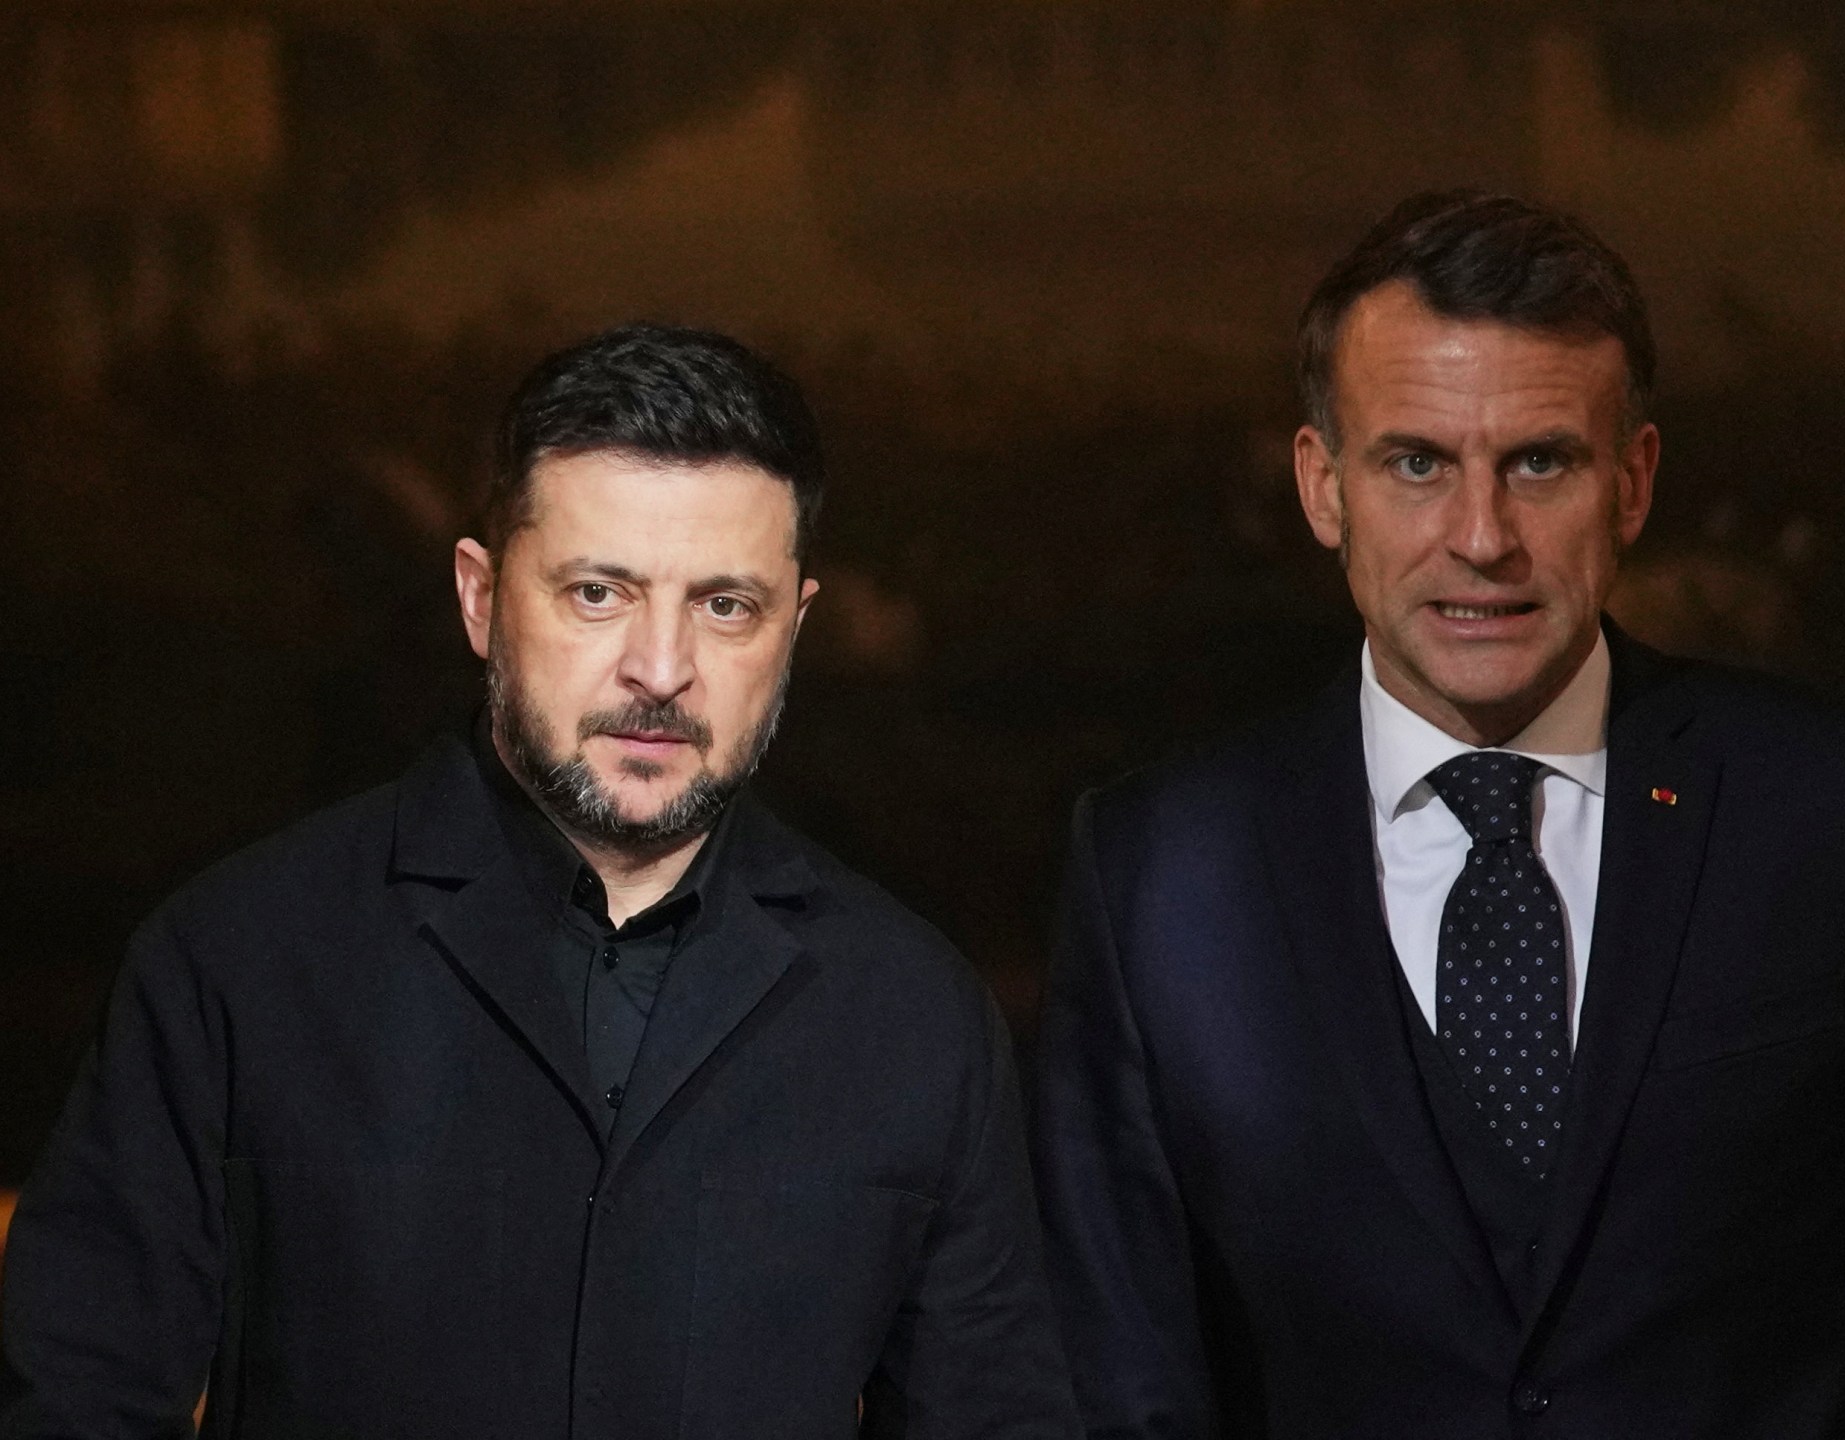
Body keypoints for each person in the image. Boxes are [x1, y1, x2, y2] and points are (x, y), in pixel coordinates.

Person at [1, 324, 1078, 1438]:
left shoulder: (914, 1016)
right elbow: (75, 1406)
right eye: (599, 593)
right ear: (480, 598)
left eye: (725, 606)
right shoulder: (234, 965)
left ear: (794, 626)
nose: (661, 670)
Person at [1030, 190, 1845, 1438]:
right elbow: (1125, 1389)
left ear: (1633, 484)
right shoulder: (1158, 870)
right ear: (1322, 487)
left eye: (1540, 462)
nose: (1483, 537)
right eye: (1418, 464)